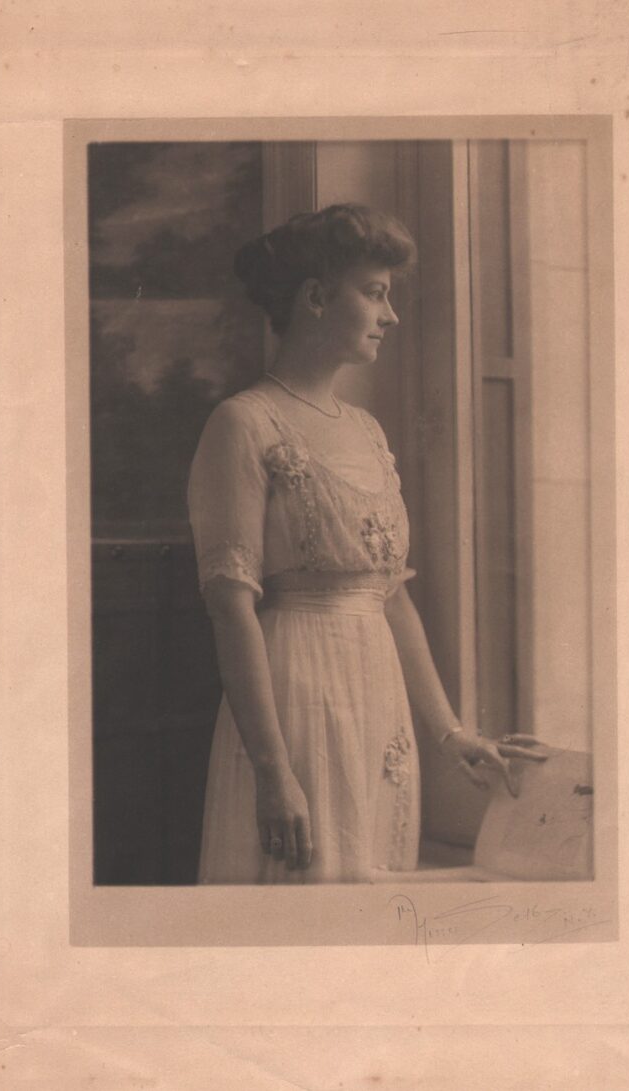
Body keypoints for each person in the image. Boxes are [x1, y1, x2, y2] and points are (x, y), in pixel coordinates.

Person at [187, 203, 543, 883]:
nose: (391, 315)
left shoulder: (368, 432)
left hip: (378, 708)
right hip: (294, 706)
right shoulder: (242, 425)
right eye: (375, 293)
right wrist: (274, 771)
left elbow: (390, 600)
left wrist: (449, 733)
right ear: (317, 298)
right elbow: (230, 608)